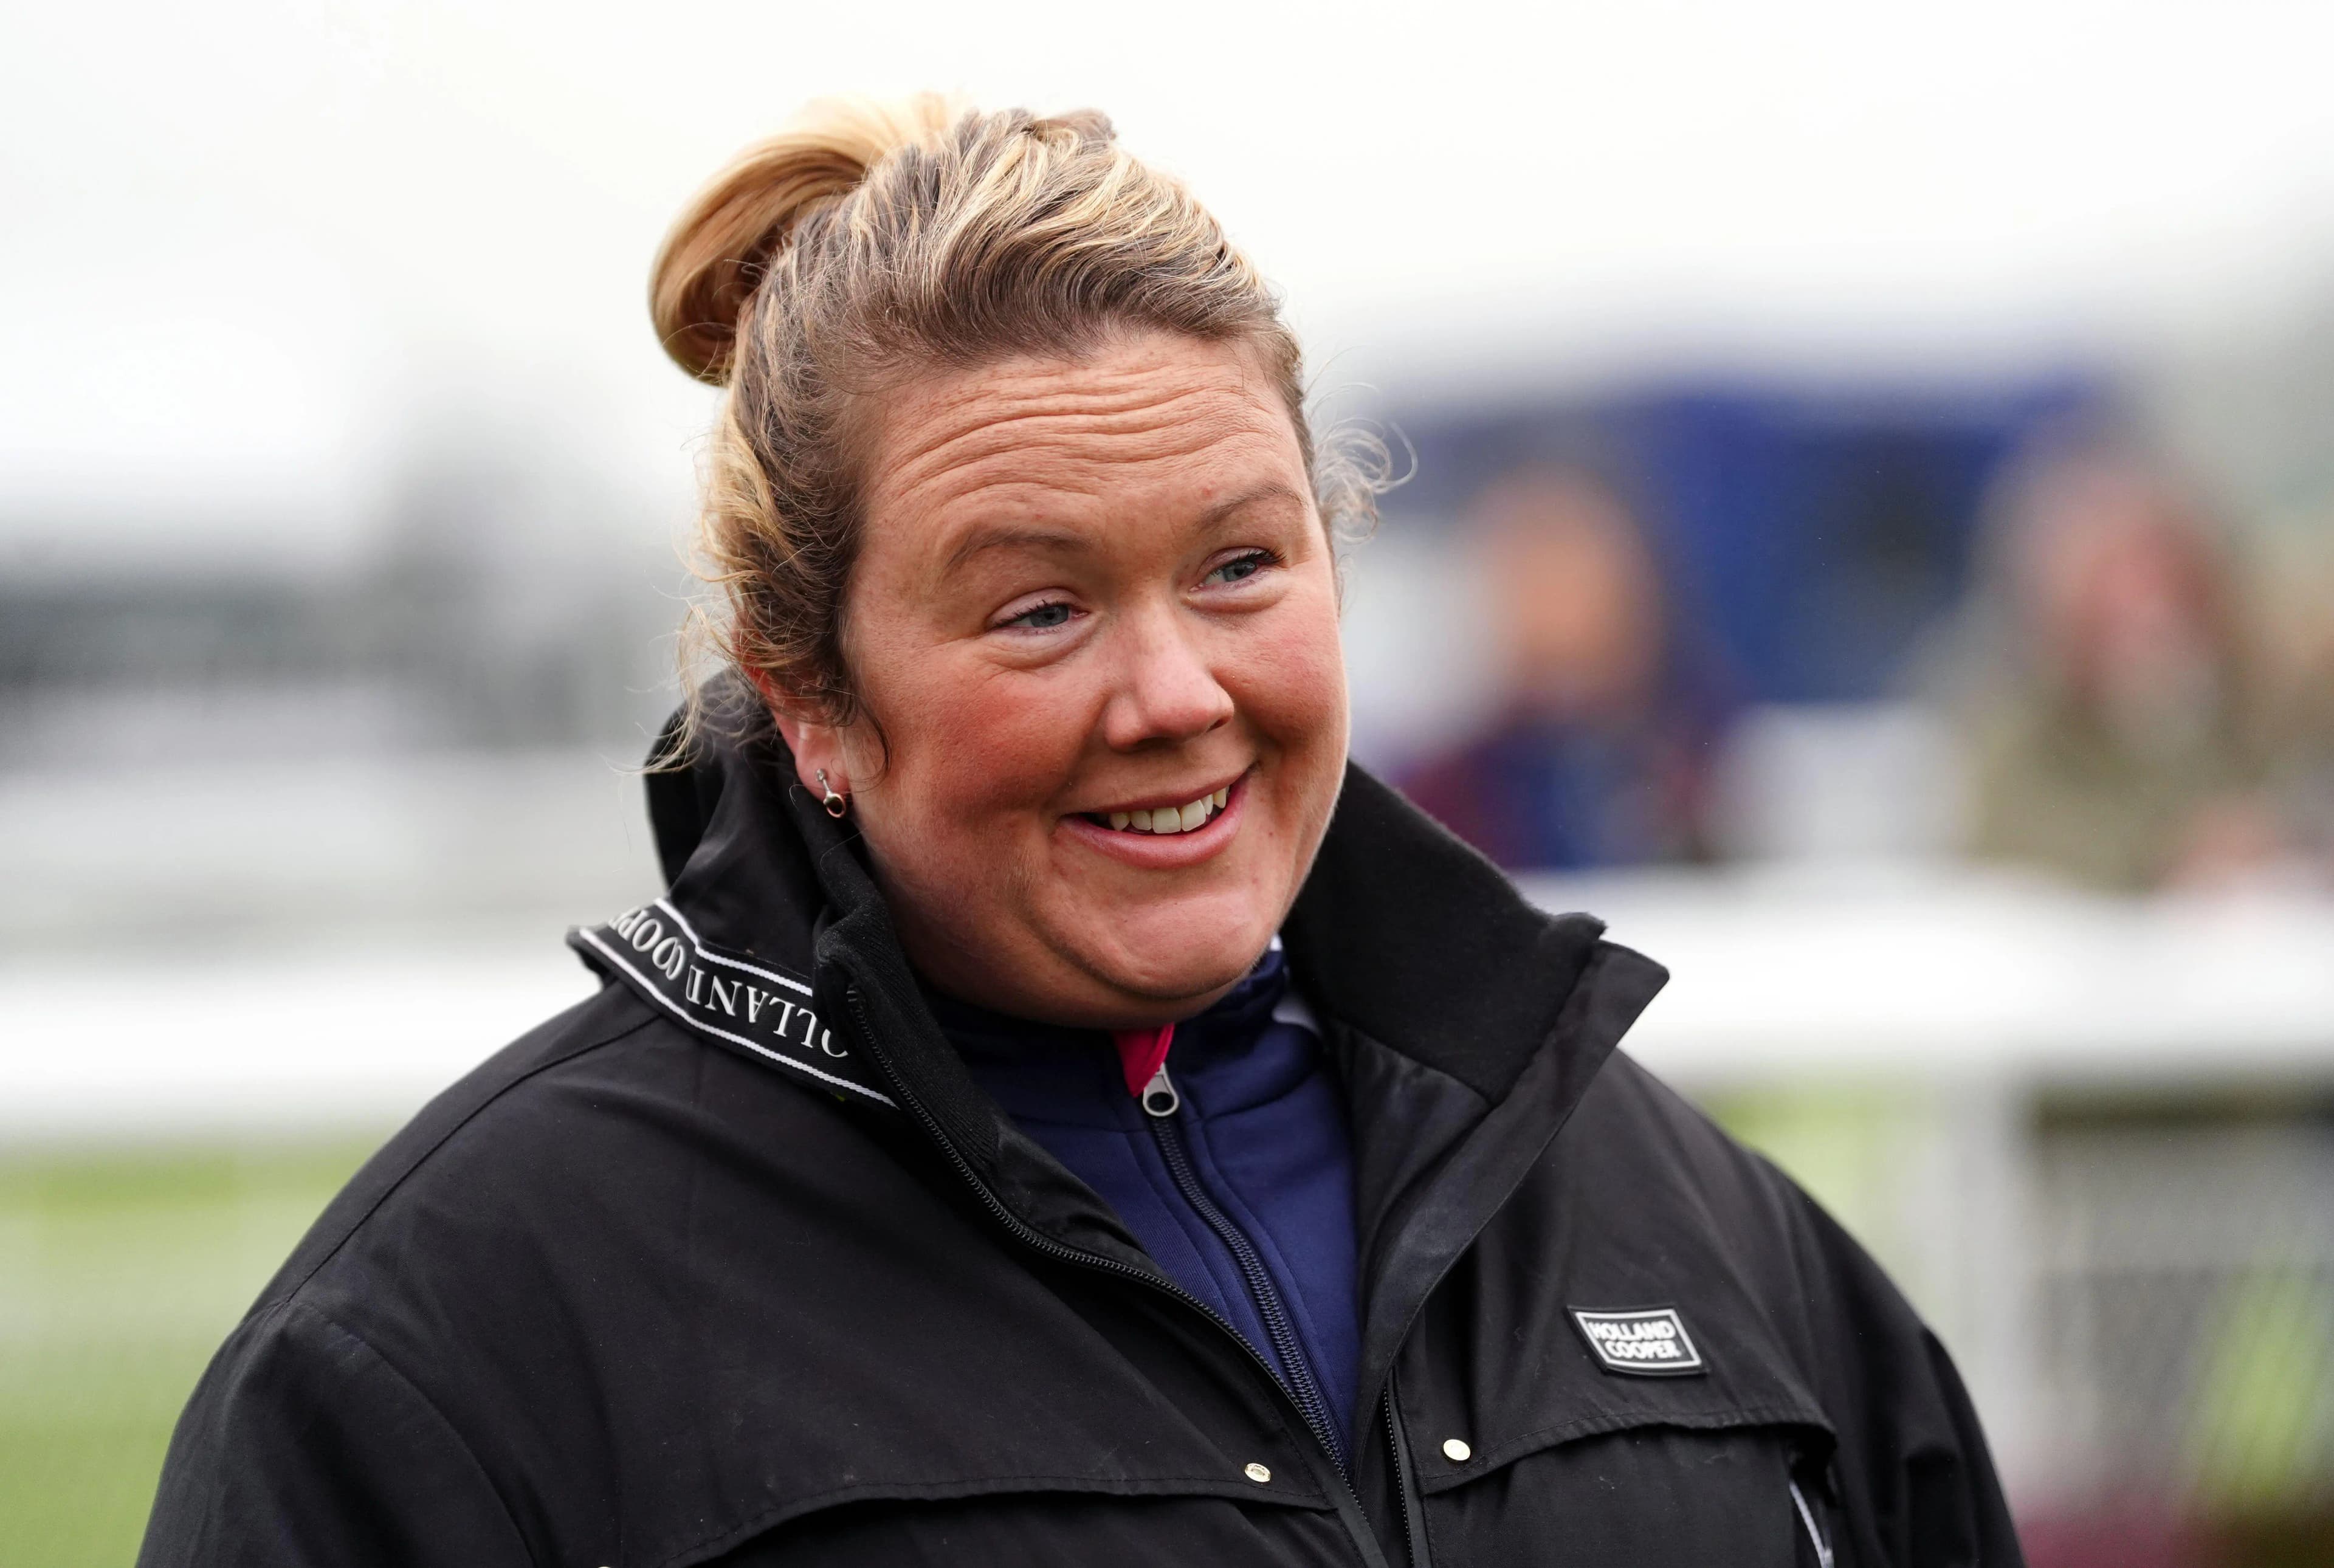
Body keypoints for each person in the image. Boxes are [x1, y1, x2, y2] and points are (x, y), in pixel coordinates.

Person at [139, 98, 2021, 1567]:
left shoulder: (1691, 1226)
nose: (1174, 691)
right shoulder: (452, 1343)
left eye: (1239, 565)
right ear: (808, 695)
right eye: (1038, 609)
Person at [1943, 438, 2282, 892]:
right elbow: (2008, 844)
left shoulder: (2253, 696)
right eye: (2115, 581)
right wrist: (2164, 856)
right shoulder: (2017, 722)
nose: (2147, 606)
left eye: (2162, 575)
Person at [1400, 467, 1731, 868]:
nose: (1548, 599)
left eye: (1569, 566)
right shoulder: (1447, 793)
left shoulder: (1711, 754)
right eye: (1524, 570)